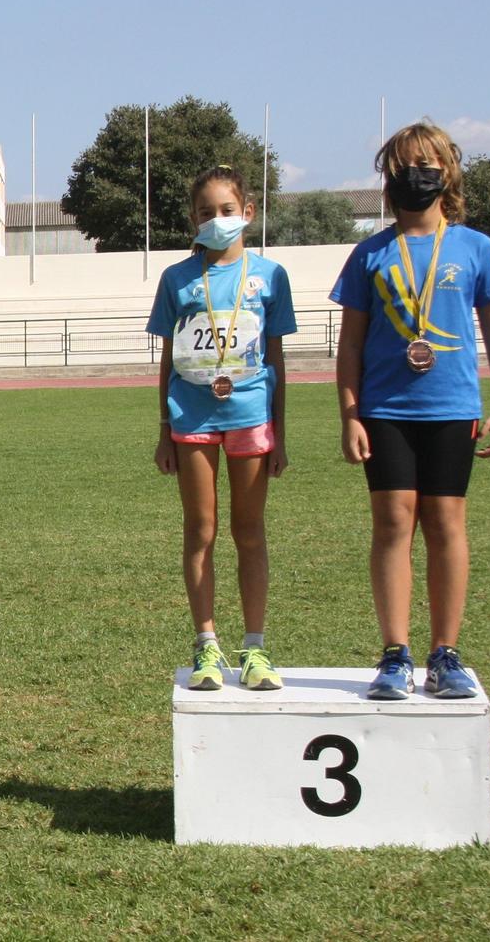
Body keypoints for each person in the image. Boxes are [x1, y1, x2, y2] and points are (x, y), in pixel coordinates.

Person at [332, 122, 490, 700]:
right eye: (405, 164)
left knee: (445, 525)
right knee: (392, 524)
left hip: (451, 408)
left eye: (428, 162)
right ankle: (394, 654)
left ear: (448, 171)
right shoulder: (370, 253)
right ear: (388, 177)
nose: (417, 173)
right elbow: (352, 344)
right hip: (386, 409)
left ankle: (445, 654)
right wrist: (350, 413)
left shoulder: (474, 247)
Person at [148, 165, 296, 691]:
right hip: (191, 419)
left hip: (251, 417)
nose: (218, 220)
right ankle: (206, 644)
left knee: (249, 533)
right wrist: (165, 429)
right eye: (207, 212)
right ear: (193, 219)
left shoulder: (270, 276)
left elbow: (276, 356)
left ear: (248, 214)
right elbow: (166, 360)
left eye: (227, 211)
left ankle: (255, 648)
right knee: (201, 532)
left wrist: (280, 431)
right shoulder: (177, 279)